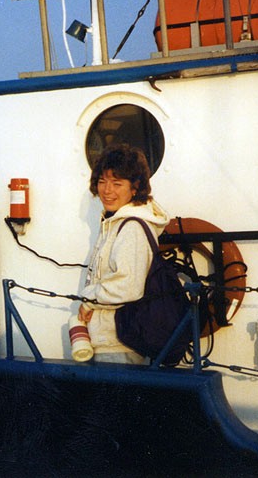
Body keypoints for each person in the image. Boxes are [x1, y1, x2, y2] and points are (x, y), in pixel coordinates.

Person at [77, 144, 170, 364]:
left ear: (135, 188)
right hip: (107, 341)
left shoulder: (131, 228)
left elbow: (128, 285)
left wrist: (89, 300)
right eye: (102, 181)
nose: (107, 190)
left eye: (117, 183)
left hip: (119, 345)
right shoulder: (114, 222)